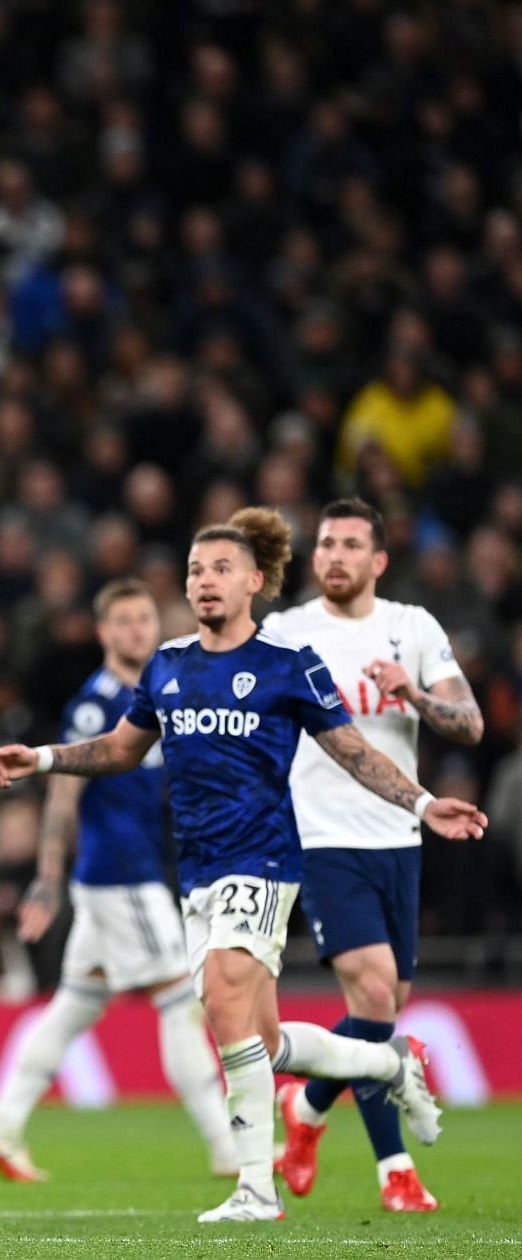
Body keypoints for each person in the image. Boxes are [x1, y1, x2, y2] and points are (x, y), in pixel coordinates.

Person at [0, 507, 483, 1224]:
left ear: (254, 581)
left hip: (266, 860)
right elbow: (120, 750)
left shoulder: (286, 666)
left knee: (220, 1004)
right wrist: (41, 758)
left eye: (220, 569)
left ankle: (255, 1187)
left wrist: (423, 801)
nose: (204, 581)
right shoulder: (169, 665)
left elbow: (355, 752)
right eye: (194, 570)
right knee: (267, 1044)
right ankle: (389, 1064)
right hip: (199, 872)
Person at [0, 579, 236, 1183]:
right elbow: (64, 786)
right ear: (103, 633)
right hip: (122, 875)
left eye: (145, 619)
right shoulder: (98, 700)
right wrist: (46, 874)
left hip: (122, 874)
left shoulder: (156, 692)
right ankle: (228, 1148)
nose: (137, 630)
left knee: (72, 1010)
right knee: (179, 1002)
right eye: (123, 622)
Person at [264, 499, 484, 1213]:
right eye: (326, 544)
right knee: (375, 997)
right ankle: (396, 1171)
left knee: (382, 1017)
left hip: (400, 839)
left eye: (351, 545)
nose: (334, 556)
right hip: (323, 838)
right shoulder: (287, 633)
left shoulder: (411, 627)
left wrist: (413, 692)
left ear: (378, 561)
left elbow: (471, 723)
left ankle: (307, 1110)